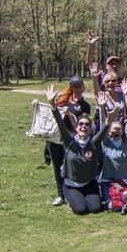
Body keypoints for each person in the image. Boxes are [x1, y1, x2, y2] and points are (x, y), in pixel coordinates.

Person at [45, 84, 115, 215]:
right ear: (76, 128)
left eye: (87, 125)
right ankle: (70, 197)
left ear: (90, 128)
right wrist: (53, 105)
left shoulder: (93, 142)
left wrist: (104, 111)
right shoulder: (70, 141)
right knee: (81, 210)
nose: (84, 127)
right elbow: (60, 123)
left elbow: (105, 127)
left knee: (95, 209)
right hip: (71, 185)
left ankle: (86, 197)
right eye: (81, 124)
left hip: (89, 184)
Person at [45, 75, 91, 206]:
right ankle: (60, 195)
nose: (77, 88)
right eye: (74, 86)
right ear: (71, 88)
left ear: (83, 87)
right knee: (57, 166)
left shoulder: (85, 106)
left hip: (69, 140)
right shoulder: (63, 100)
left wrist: (70, 114)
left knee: (68, 167)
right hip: (54, 138)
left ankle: (72, 192)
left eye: (79, 86)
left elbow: (81, 126)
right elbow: (51, 113)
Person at [96, 87, 127, 210]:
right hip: (107, 181)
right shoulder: (106, 142)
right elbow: (103, 125)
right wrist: (102, 107)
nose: (117, 131)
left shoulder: (125, 142)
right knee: (111, 206)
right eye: (114, 129)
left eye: (119, 129)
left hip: (124, 180)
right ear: (109, 132)